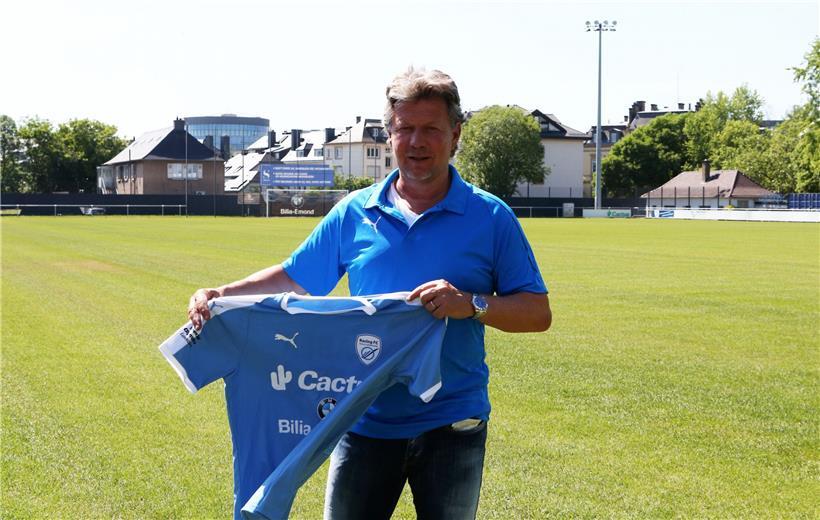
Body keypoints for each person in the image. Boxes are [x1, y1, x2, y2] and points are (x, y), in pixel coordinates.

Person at [188, 67, 551, 520]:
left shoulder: (491, 217)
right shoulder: (355, 212)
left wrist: (472, 304)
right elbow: (295, 278)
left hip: (453, 422)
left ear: (455, 134)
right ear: (389, 134)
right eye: (405, 128)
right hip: (362, 419)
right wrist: (221, 293)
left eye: (431, 129)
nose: (416, 142)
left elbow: (537, 312)